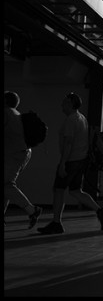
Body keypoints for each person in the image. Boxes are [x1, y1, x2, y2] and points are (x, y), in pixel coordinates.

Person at [38, 92, 103, 234]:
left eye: (64, 102)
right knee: (75, 191)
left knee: (58, 190)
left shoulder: (71, 120)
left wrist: (63, 163)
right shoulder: (82, 118)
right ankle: (100, 211)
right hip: (81, 160)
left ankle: (56, 222)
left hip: (71, 161)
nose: (62, 105)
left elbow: (69, 143)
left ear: (71, 103)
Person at [4, 91, 43, 229]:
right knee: (7, 185)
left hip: (14, 154)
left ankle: (32, 210)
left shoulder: (6, 112)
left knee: (6, 184)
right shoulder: (17, 114)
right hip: (23, 153)